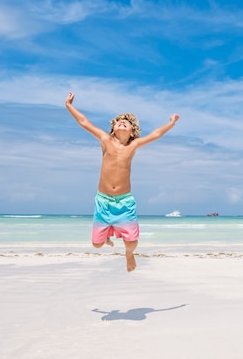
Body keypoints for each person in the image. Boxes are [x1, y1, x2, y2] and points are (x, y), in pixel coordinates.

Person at [65, 92, 180, 272]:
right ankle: (106, 236)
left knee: (132, 241)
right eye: (119, 121)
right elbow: (84, 122)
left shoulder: (133, 146)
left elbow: (156, 134)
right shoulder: (105, 140)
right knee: (96, 245)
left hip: (124, 202)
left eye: (127, 123)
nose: (122, 122)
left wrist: (171, 123)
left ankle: (128, 254)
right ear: (113, 129)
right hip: (103, 201)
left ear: (132, 132)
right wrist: (69, 105)